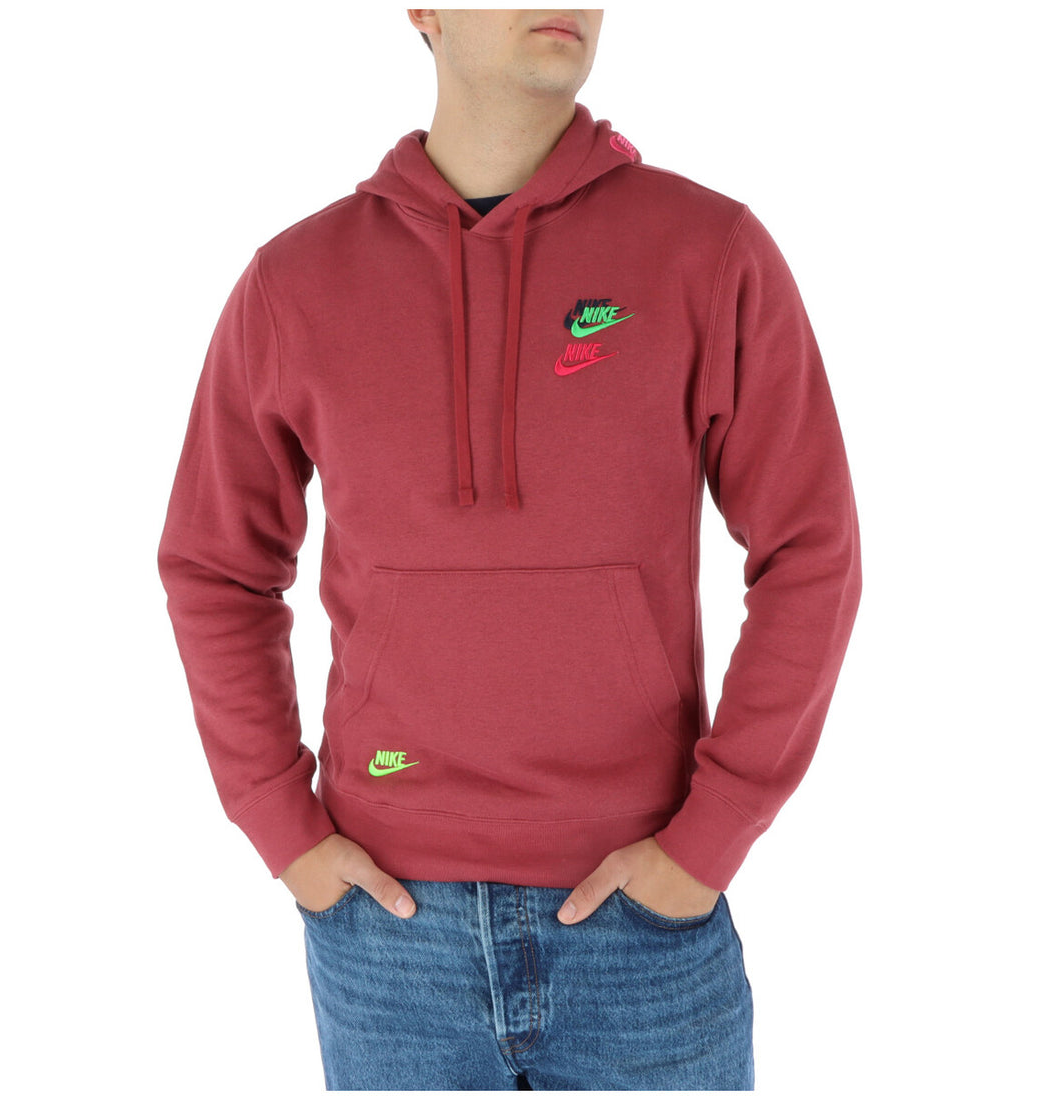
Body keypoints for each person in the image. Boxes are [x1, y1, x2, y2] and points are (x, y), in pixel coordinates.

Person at [158, 8, 862, 1091]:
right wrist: (279, 823)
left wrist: (710, 838)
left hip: (643, 923)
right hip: (387, 936)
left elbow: (811, 549)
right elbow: (216, 566)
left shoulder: (706, 250)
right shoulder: (296, 281)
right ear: (423, 12)